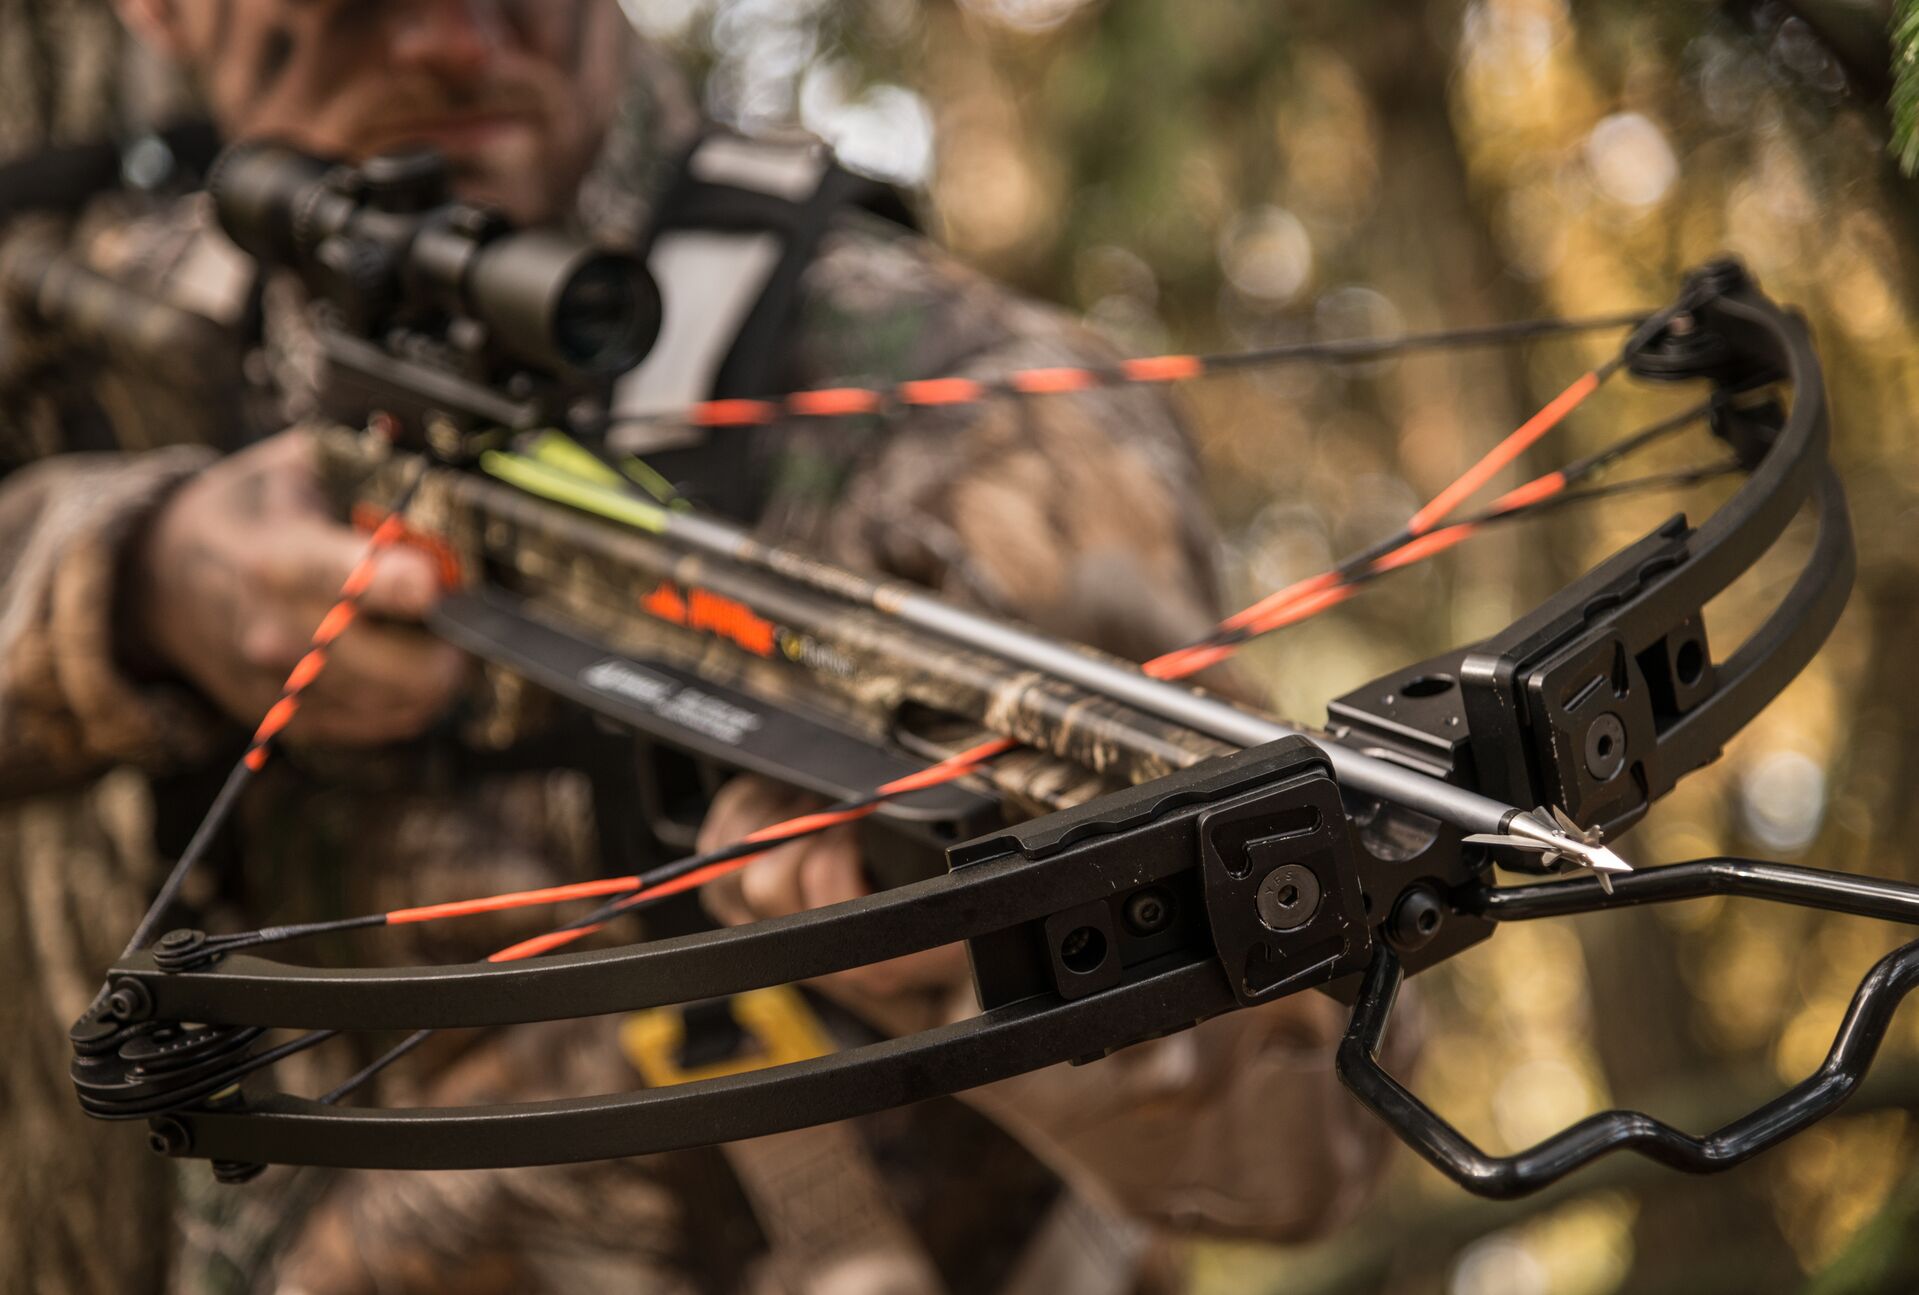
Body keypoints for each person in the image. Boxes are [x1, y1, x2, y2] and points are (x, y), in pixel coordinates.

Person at [0, 3, 1408, 1292]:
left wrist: (972, 948)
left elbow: (1313, 1130)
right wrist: (134, 586)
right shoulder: (115, 321)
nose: (444, 43)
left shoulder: (969, 411)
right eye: (354, 5)